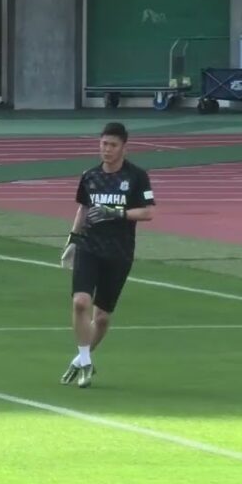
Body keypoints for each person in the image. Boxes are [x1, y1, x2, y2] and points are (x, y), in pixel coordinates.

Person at [59, 122, 157, 388]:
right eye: (103, 144)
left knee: (101, 317)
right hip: (89, 248)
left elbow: (149, 212)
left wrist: (117, 213)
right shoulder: (90, 176)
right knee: (80, 303)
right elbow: (83, 209)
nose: (107, 150)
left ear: (124, 147)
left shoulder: (136, 176)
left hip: (119, 252)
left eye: (113, 145)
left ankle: (81, 359)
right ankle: (86, 361)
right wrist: (72, 240)